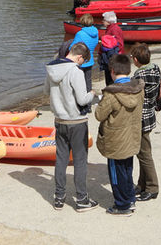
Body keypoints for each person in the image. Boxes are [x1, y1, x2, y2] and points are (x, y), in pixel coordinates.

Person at [46, 42, 100, 211]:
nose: (81, 65)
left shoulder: (51, 69)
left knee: (61, 159)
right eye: (82, 62)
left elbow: (47, 91)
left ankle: (59, 197)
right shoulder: (75, 71)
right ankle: (82, 199)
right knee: (80, 161)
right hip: (76, 121)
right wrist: (92, 94)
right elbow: (82, 100)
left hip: (59, 120)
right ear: (79, 57)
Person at [95, 53, 144, 216]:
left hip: (116, 139)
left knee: (117, 173)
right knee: (127, 169)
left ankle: (122, 205)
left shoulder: (112, 94)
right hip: (132, 136)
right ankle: (129, 198)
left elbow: (99, 115)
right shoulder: (138, 89)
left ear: (112, 71)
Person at [130, 43, 161, 202]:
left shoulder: (138, 76)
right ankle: (142, 184)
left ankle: (152, 187)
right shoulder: (155, 68)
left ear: (136, 60)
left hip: (141, 117)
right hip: (150, 113)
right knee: (143, 152)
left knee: (144, 154)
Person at [70, 14, 100, 90]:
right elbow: (96, 43)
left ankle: (80, 99)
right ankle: (88, 100)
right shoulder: (96, 32)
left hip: (81, 61)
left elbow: (72, 47)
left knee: (79, 82)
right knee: (88, 81)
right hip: (90, 60)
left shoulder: (80, 34)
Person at [98, 12, 124, 85]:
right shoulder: (111, 28)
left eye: (104, 20)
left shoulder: (114, 29)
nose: (102, 22)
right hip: (112, 58)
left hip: (112, 58)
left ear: (109, 22)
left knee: (111, 79)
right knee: (110, 78)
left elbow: (119, 44)